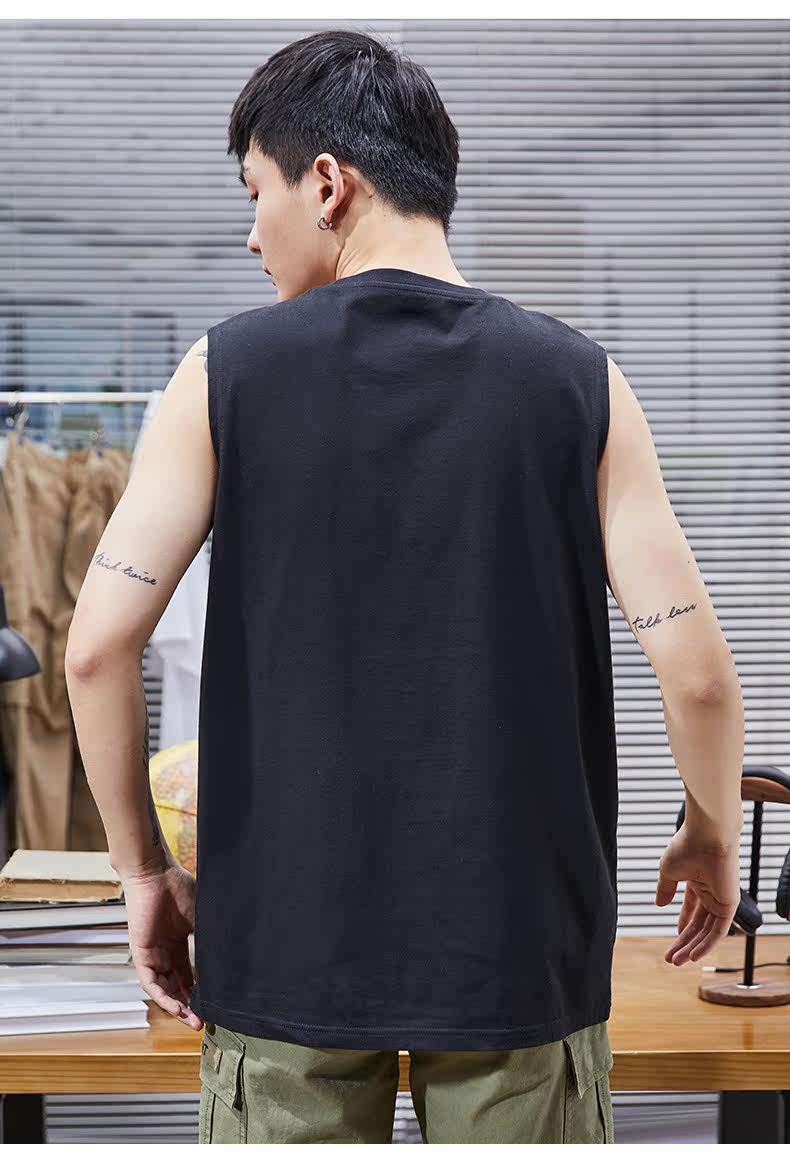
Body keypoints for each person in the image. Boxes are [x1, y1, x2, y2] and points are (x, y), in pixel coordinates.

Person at [65, 28, 745, 1144]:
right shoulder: (582, 383)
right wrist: (710, 833)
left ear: (328, 184)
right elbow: (701, 677)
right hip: (518, 950)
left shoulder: (221, 376)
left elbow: (95, 649)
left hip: (284, 945)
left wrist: (144, 873)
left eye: (257, 193)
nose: (251, 233)